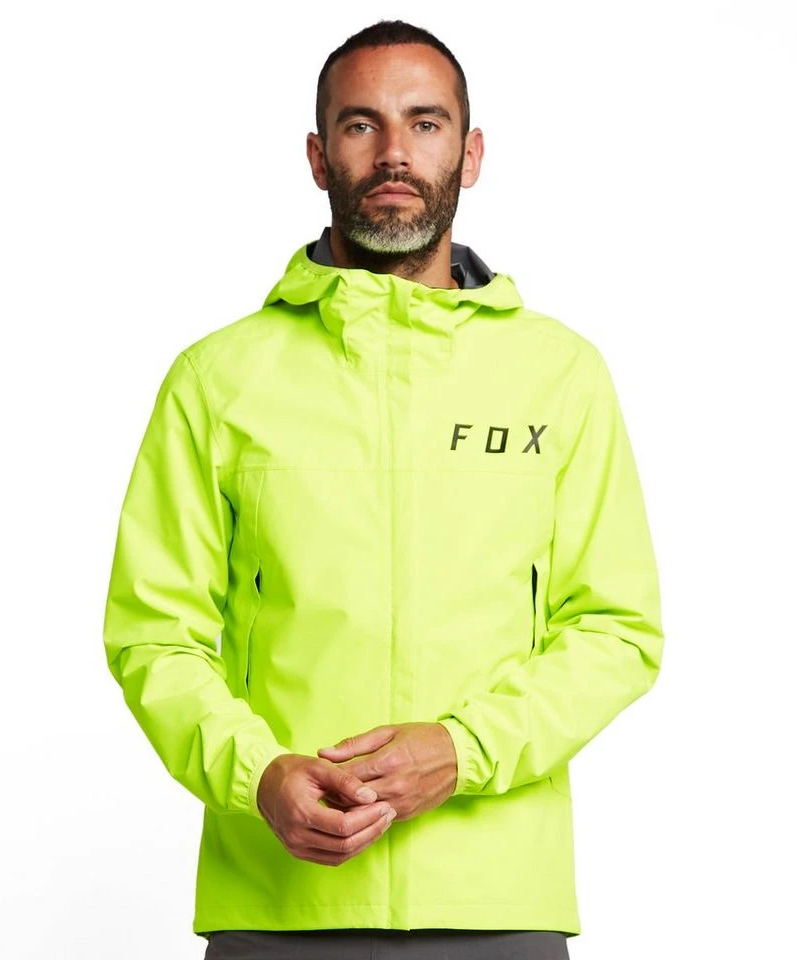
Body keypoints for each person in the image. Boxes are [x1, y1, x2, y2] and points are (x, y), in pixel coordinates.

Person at [102, 18, 665, 960]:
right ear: (318, 156)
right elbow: (153, 633)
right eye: (361, 125)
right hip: (280, 902)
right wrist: (259, 775)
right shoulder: (218, 378)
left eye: (425, 123)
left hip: (497, 904)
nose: (395, 152)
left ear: (470, 154)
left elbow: (617, 629)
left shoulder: (560, 375)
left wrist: (463, 751)